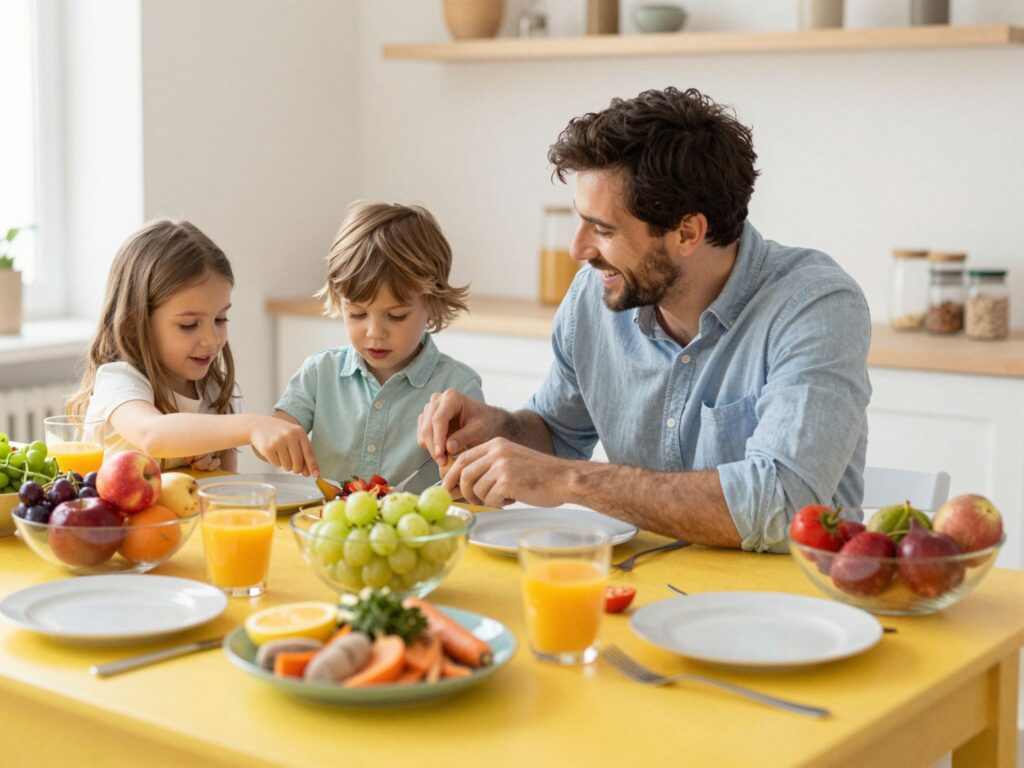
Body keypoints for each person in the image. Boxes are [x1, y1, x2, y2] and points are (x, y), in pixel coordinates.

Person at [417, 87, 872, 552]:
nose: (578, 250)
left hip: (788, 605)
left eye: (603, 229)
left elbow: (783, 506)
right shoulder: (594, 296)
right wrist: (499, 432)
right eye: (581, 221)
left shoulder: (815, 306)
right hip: (643, 586)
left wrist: (573, 481)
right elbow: (557, 431)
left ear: (687, 232)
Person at [68, 219, 318, 474]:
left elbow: (227, 488)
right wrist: (251, 426)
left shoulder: (217, 394)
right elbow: (151, 434)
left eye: (220, 319)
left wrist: (206, 471)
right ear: (136, 323)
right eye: (188, 324)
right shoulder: (119, 381)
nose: (211, 339)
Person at [274, 201, 483, 493]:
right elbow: (274, 436)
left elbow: (477, 485)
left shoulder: (459, 387)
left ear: (433, 305)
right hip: (328, 532)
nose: (374, 333)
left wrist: (462, 474)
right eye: (357, 314)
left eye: (396, 316)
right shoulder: (320, 372)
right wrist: (269, 435)